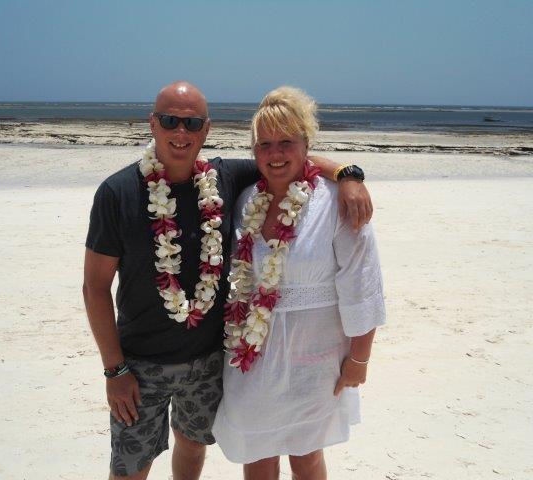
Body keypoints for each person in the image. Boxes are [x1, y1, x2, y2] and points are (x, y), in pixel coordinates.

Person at [82, 81, 373, 480]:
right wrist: (114, 370)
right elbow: (94, 288)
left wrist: (349, 174)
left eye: (192, 123)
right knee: (132, 465)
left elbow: (292, 156)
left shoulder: (224, 179)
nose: (180, 132)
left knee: (194, 449)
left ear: (206, 129)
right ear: (153, 124)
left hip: (209, 360)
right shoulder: (118, 192)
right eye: (170, 121)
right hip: (140, 364)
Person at [212, 86, 386, 480]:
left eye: (286, 142)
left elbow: (362, 282)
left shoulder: (335, 202)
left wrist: (359, 359)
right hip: (252, 358)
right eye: (265, 144)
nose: (275, 154)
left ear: (306, 143)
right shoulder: (243, 200)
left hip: (316, 359)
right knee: (256, 453)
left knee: (306, 456)